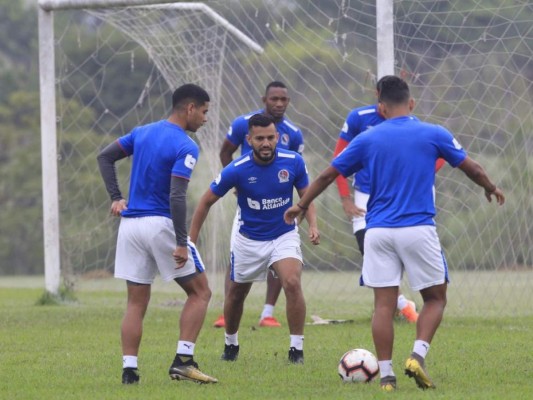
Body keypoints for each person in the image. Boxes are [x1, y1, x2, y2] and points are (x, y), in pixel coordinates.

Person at [284, 76, 504, 391]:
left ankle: (386, 376)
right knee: (436, 298)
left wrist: (302, 205)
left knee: (383, 305)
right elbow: (473, 168)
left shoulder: (368, 138)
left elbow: (328, 173)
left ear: (381, 107)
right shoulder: (433, 133)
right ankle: (417, 356)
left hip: (377, 231)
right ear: (411, 103)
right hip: (417, 228)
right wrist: (490, 187)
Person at [97, 84, 218, 385]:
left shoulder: (141, 132)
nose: (205, 119)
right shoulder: (186, 146)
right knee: (201, 292)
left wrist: (116, 197)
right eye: (204, 112)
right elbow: (177, 196)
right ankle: (184, 361)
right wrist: (181, 242)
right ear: (190, 108)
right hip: (159, 224)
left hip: (130, 226)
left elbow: (105, 157)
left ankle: (129, 371)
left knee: (136, 302)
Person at [189, 113, 319, 364]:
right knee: (236, 294)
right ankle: (231, 343)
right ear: (249, 140)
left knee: (292, 282)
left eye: (271, 137)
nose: (266, 143)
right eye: (260, 139)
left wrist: (313, 224)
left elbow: (306, 196)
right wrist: (191, 241)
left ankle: (296, 350)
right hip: (249, 238)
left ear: (277, 137)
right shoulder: (237, 169)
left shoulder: (293, 161)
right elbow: (206, 201)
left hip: (283, 233)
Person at [332, 77, 445, 323]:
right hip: (366, 194)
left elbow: (441, 154)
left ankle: (411, 304)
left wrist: (416, 175)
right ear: (378, 97)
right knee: (368, 246)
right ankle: (401, 304)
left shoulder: (415, 125)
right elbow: (338, 159)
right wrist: (345, 198)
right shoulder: (359, 119)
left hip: (410, 196)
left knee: (410, 245)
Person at [214, 81, 305, 329]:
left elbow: (298, 171)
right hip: (250, 205)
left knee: (281, 260)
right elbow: (225, 152)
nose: (278, 103)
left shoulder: (294, 134)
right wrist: (234, 183)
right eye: (274, 99)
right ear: (264, 99)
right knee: (237, 258)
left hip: (280, 207)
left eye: (283, 100)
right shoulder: (243, 122)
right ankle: (227, 312)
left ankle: (268, 313)